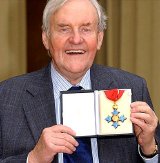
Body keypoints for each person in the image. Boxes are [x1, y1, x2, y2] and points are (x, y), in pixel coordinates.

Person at [0, 0, 159, 162]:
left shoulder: (133, 88)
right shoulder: (6, 98)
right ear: (45, 38)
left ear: (99, 38)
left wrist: (149, 148)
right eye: (64, 29)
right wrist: (33, 158)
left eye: (86, 29)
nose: (76, 39)